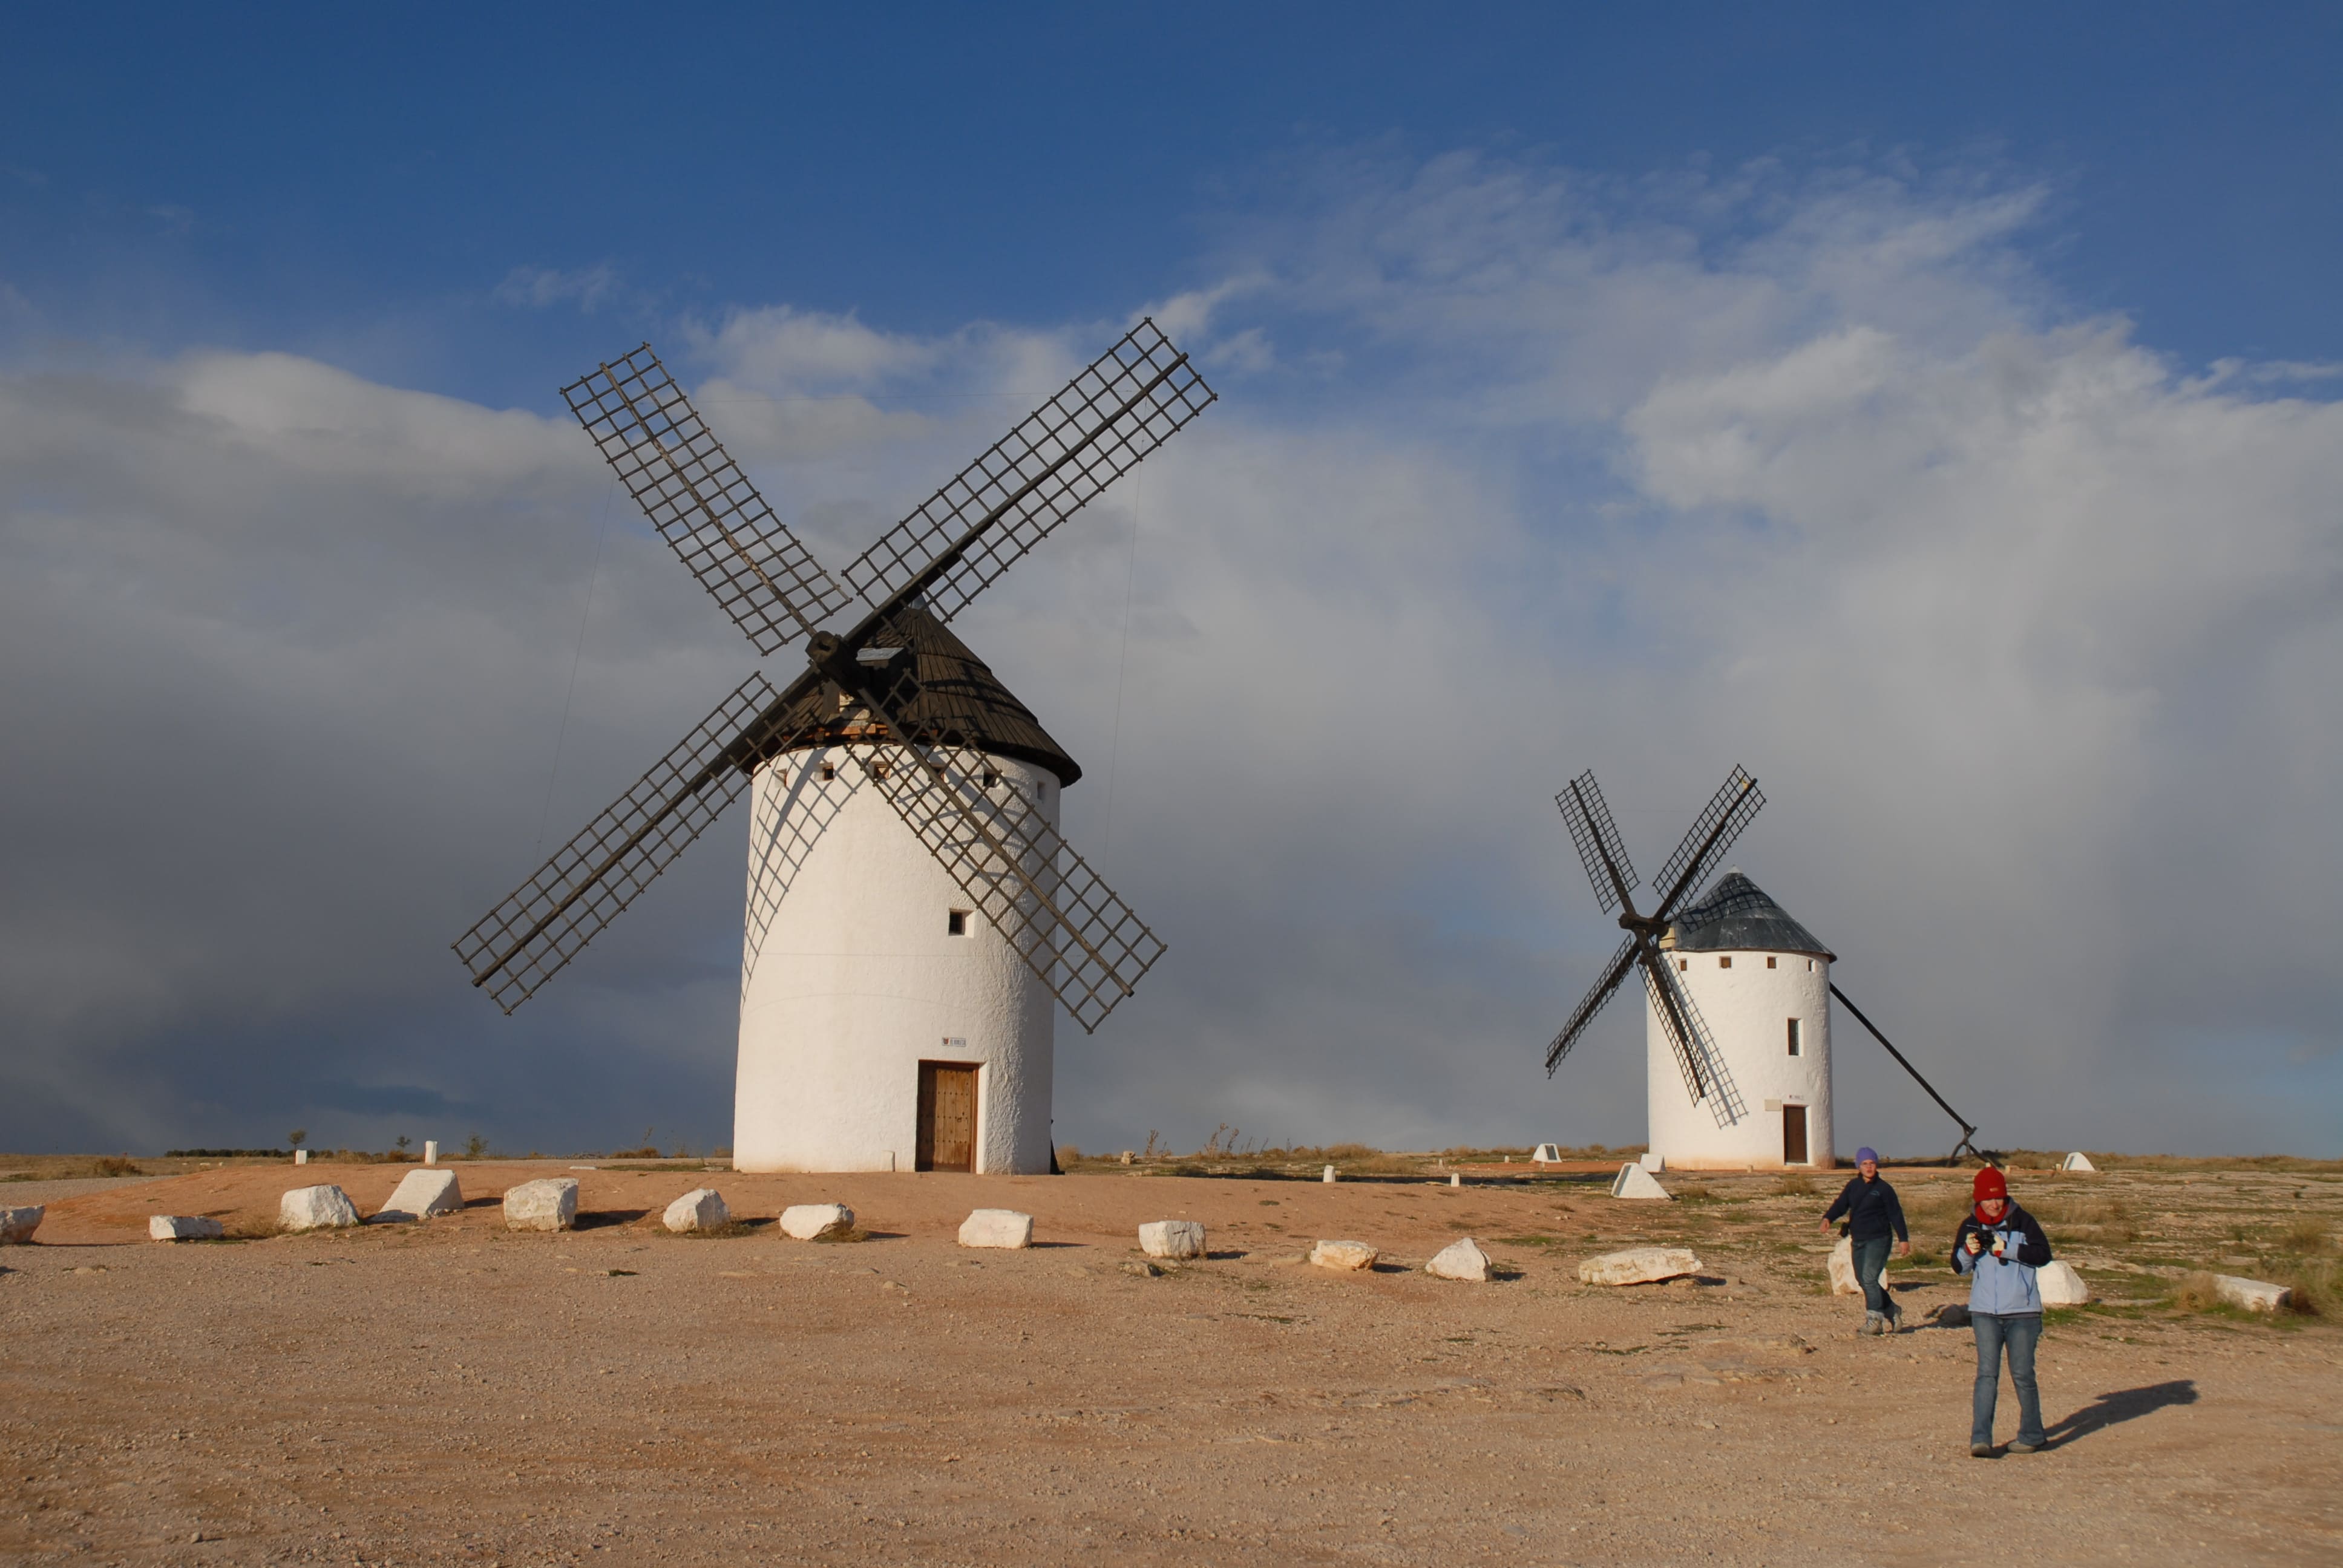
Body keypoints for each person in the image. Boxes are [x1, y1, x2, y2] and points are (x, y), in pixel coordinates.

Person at [1953, 1165, 2054, 1457]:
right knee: (1987, 1375)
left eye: (1999, 1198)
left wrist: (2004, 1248)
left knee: (2023, 1375)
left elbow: (2043, 1255)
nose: (1995, 1204)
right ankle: (1980, 1439)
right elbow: (1959, 1269)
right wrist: (1968, 1251)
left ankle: (2033, 1435)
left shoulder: (2024, 1221)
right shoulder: (1970, 1225)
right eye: (1988, 1199)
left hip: (2023, 1313)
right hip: (1985, 1312)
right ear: (1978, 1200)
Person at [1820, 1146, 1909, 1334]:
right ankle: (1892, 1310)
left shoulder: (1884, 1189)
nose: (1869, 1167)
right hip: (1858, 1239)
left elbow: (1896, 1214)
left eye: (1872, 1163)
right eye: (1865, 1164)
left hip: (1879, 1239)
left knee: (1869, 1278)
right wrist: (1828, 1218)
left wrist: (1903, 1239)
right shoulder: (1853, 1186)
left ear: (1876, 1165)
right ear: (1858, 1167)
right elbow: (1841, 1204)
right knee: (1862, 1280)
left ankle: (1874, 1319)